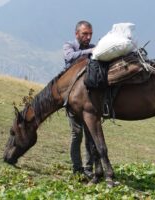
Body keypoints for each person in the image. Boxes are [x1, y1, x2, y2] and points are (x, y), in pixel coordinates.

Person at [63, 20, 95, 177]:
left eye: (90, 34)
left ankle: (89, 169)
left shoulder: (93, 48)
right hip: (71, 98)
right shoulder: (69, 45)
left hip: (88, 99)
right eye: (85, 34)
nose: (88, 37)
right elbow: (69, 57)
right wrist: (89, 52)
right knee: (77, 134)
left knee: (90, 135)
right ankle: (77, 169)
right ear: (77, 34)